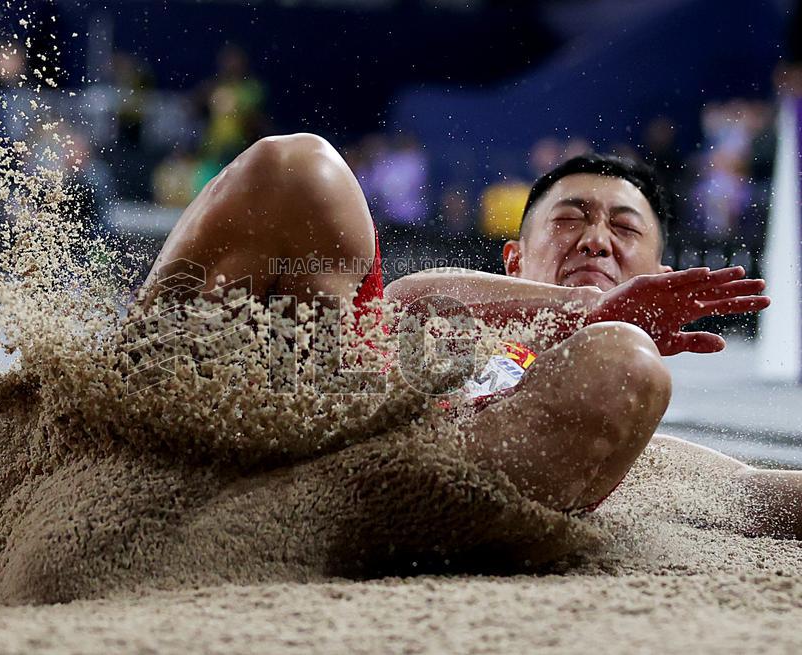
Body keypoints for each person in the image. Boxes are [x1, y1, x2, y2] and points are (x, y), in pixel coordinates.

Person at [140, 133, 799, 537]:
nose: (597, 237)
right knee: (298, 166)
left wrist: (607, 330)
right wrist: (578, 308)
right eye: (571, 220)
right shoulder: (439, 316)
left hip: (384, 499)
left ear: (663, 275)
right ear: (513, 261)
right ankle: (100, 426)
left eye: (624, 229)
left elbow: (766, 495)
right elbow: (408, 302)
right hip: (301, 418)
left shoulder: (661, 457)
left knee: (623, 367)